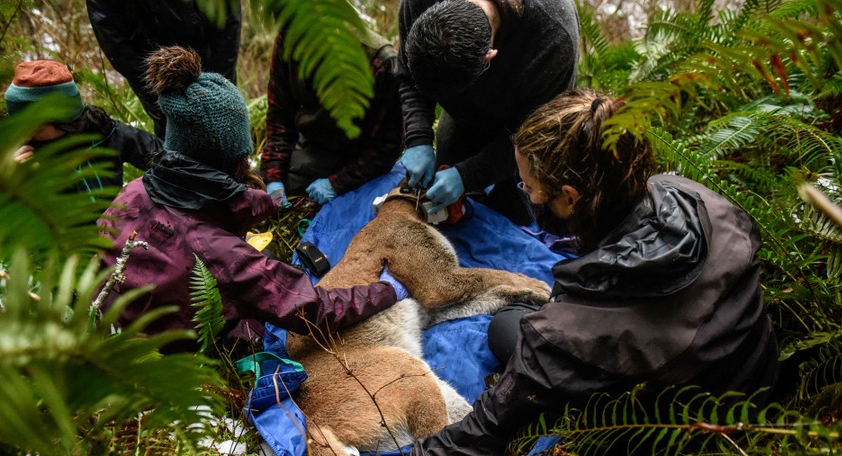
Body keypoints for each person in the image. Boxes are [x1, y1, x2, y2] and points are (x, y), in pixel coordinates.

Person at [361, 89, 781, 456]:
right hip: (758, 383)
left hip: (672, 441)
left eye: (528, 187)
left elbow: (482, 436)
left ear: (570, 198)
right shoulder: (699, 198)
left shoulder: (568, 330)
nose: (526, 194)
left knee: (506, 330)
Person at [97, 47, 408, 351]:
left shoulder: (134, 190)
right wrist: (388, 290)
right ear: (232, 157)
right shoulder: (221, 253)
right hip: (184, 363)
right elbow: (315, 310)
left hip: (114, 335)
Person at [397, 0, 580, 224]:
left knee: (510, 218)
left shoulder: (553, 39)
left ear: (489, 55)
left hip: (524, 131)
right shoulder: (417, 4)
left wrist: (468, 175)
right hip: (462, 118)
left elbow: (535, 136)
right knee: (439, 207)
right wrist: (418, 137)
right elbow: (408, 77)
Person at [260, 28, 403, 206]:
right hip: (311, 149)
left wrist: (336, 184)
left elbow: (386, 147)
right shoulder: (289, 36)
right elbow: (279, 115)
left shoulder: (379, 61)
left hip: (360, 159)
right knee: (254, 187)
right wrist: (273, 176)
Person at [5, 59, 162, 197]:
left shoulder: (103, 131)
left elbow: (166, 159)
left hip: (120, 227)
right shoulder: (21, 157)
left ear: (64, 120)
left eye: (35, 126)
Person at [86, 0, 242, 138]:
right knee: (178, 145)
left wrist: (219, 81)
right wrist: (154, 84)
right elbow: (112, 36)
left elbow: (228, 15)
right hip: (157, 71)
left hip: (211, 55)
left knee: (226, 133)